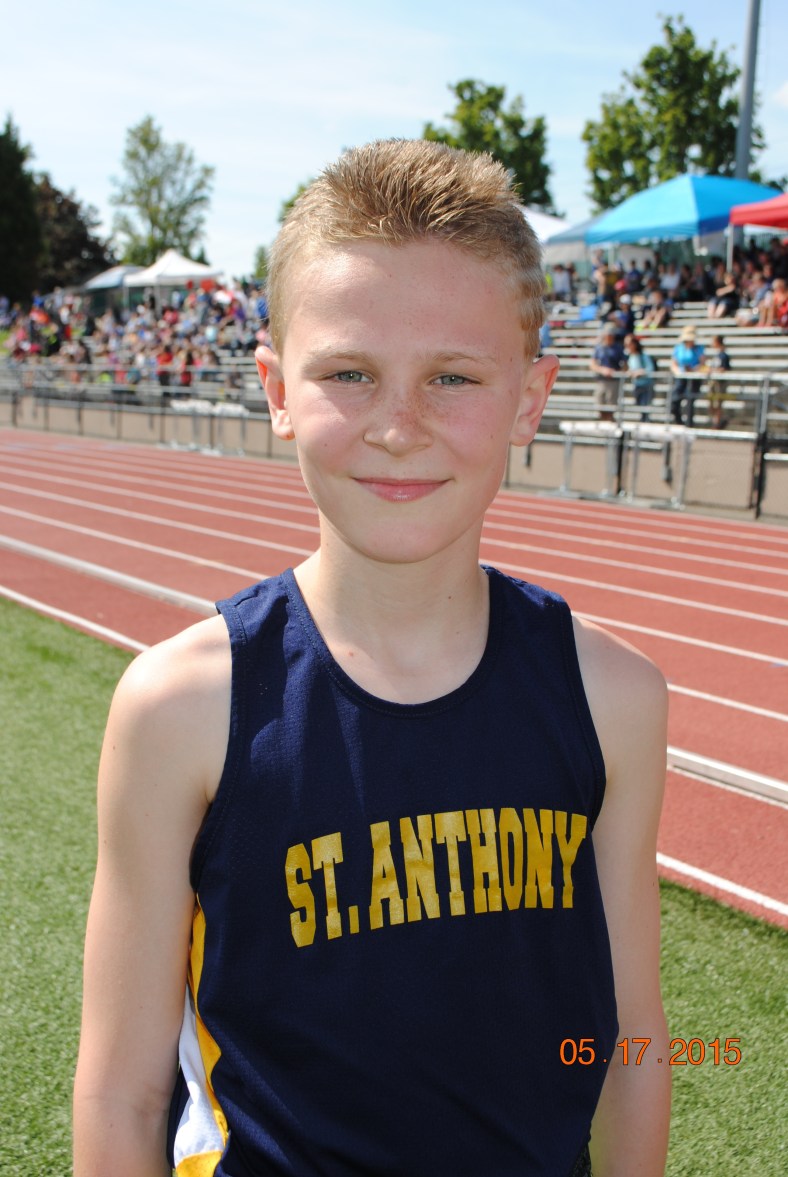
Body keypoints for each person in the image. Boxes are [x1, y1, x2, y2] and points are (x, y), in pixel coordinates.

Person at [73, 139, 670, 1177]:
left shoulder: (612, 698)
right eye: (350, 372)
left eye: (452, 376)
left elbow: (628, 1044)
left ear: (530, 397)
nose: (399, 425)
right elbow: (122, 1089)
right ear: (274, 387)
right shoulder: (178, 708)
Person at [670, 324, 705, 427]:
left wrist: (693, 369)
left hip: (693, 378)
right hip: (681, 377)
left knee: (690, 403)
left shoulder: (698, 349)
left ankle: (689, 425)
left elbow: (702, 363)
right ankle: (679, 423)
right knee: (674, 401)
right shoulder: (678, 348)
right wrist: (679, 372)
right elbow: (674, 364)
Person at [590, 323, 625, 421]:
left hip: (613, 380)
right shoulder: (599, 348)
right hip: (601, 380)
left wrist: (616, 372)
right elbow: (593, 364)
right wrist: (603, 370)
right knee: (599, 404)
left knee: (611, 405)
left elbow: (625, 365)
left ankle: (609, 422)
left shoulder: (618, 348)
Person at [624, 334, 657, 420]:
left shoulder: (644, 356)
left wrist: (640, 372)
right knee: (639, 404)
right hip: (637, 385)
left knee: (645, 405)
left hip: (646, 385)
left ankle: (645, 421)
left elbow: (650, 369)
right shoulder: (630, 357)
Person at [705, 335, 732, 429]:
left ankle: (717, 423)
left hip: (720, 383)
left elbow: (724, 369)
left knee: (718, 403)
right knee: (711, 402)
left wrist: (713, 371)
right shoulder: (717, 355)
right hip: (713, 382)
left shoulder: (724, 355)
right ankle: (717, 421)